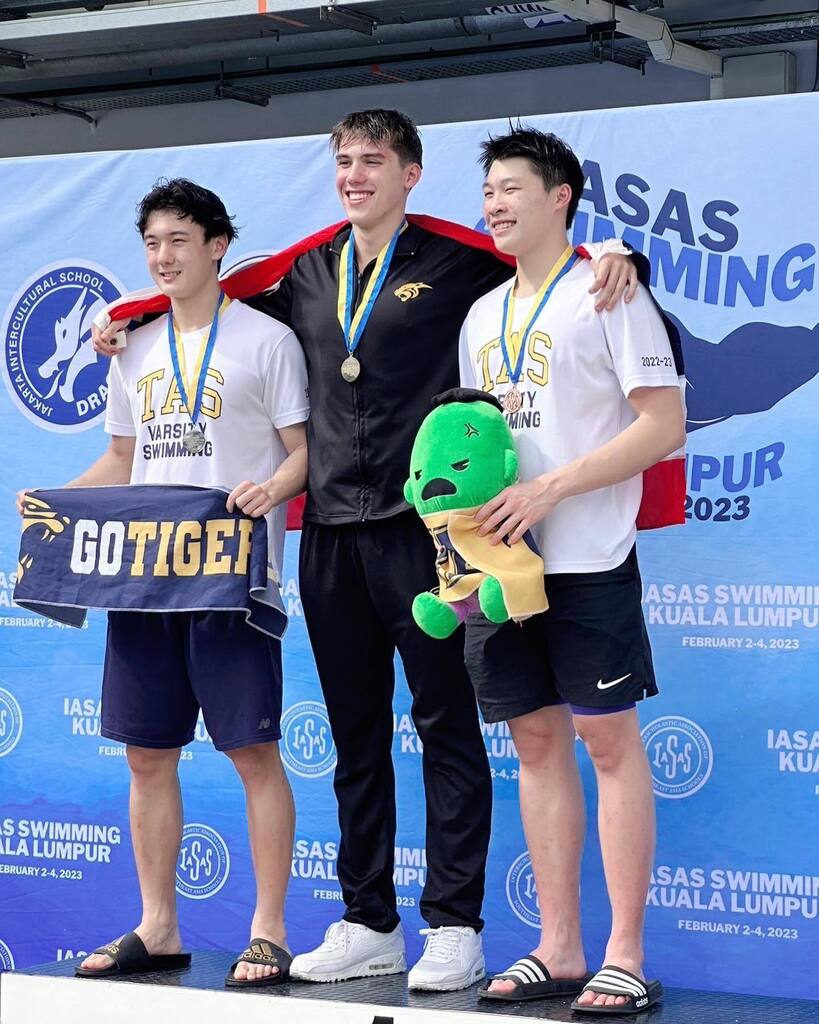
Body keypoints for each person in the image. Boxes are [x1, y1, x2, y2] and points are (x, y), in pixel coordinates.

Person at [93, 110, 639, 992]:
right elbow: (204, 303)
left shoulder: (458, 261)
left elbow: (546, 265)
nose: (354, 174)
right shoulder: (308, 271)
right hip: (331, 536)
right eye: (343, 160)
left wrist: (618, 254)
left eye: (372, 160)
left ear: (410, 174)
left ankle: (453, 924)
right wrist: (124, 318)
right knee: (354, 735)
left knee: (445, 726)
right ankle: (368, 921)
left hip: (427, 535)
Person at [19, 179, 309, 988]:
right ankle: (159, 925)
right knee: (146, 758)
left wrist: (272, 489)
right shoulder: (135, 347)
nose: (163, 256)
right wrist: (55, 505)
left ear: (217, 246)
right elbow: (123, 459)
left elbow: (303, 451)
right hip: (145, 579)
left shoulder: (266, 341)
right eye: (152, 243)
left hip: (228, 580)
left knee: (253, 752)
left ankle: (268, 929)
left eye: (179, 239)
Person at [459, 127, 684, 1014]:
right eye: (487, 191)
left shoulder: (609, 290)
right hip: (501, 566)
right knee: (535, 744)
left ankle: (623, 954)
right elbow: (472, 443)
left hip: (589, 556)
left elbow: (661, 425)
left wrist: (552, 488)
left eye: (511, 188)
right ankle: (557, 947)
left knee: (607, 743)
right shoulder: (481, 315)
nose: (495, 204)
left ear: (559, 198)